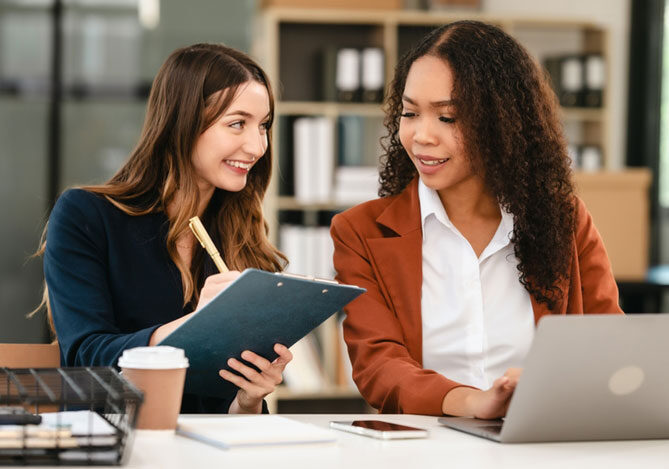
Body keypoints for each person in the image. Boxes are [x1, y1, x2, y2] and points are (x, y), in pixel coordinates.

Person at [330, 21, 623, 419]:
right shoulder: (360, 233)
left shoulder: (564, 220)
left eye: (447, 118)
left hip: (542, 445)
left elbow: (609, 345)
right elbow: (379, 366)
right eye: (410, 112)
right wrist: (473, 402)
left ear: (501, 122)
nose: (421, 135)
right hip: (423, 450)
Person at [38, 43, 292, 414]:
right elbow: (85, 358)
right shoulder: (87, 216)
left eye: (264, 126)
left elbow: (229, 416)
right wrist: (197, 327)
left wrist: (250, 398)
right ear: (183, 123)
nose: (257, 146)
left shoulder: (243, 237)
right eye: (237, 123)